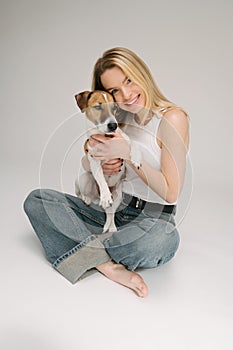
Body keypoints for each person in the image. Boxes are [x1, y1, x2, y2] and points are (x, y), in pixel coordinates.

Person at [23, 47, 189, 297]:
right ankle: (107, 264)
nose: (126, 95)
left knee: (160, 242)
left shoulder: (172, 118)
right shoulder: (117, 118)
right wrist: (96, 158)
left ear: (141, 73)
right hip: (110, 208)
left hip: (151, 219)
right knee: (37, 201)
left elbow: (171, 191)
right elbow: (90, 160)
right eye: (114, 91)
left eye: (129, 81)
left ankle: (82, 247)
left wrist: (128, 156)